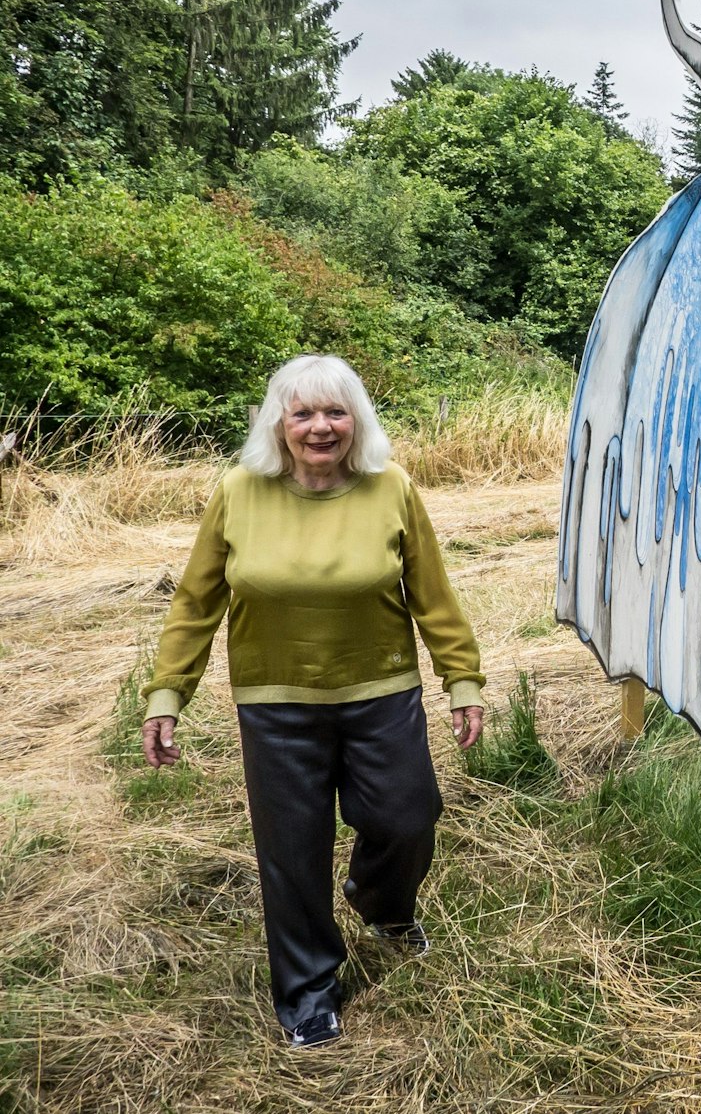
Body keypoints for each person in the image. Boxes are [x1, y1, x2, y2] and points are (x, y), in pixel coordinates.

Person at [138, 355, 486, 1050]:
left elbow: (433, 596)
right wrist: (167, 693)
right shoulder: (239, 490)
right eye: (303, 413)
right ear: (280, 423)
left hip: (380, 689)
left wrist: (462, 680)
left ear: (357, 421)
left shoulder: (391, 487)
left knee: (408, 817)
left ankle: (381, 903)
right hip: (276, 701)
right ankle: (308, 994)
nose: (320, 427)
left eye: (335, 412)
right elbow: (196, 603)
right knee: (292, 851)